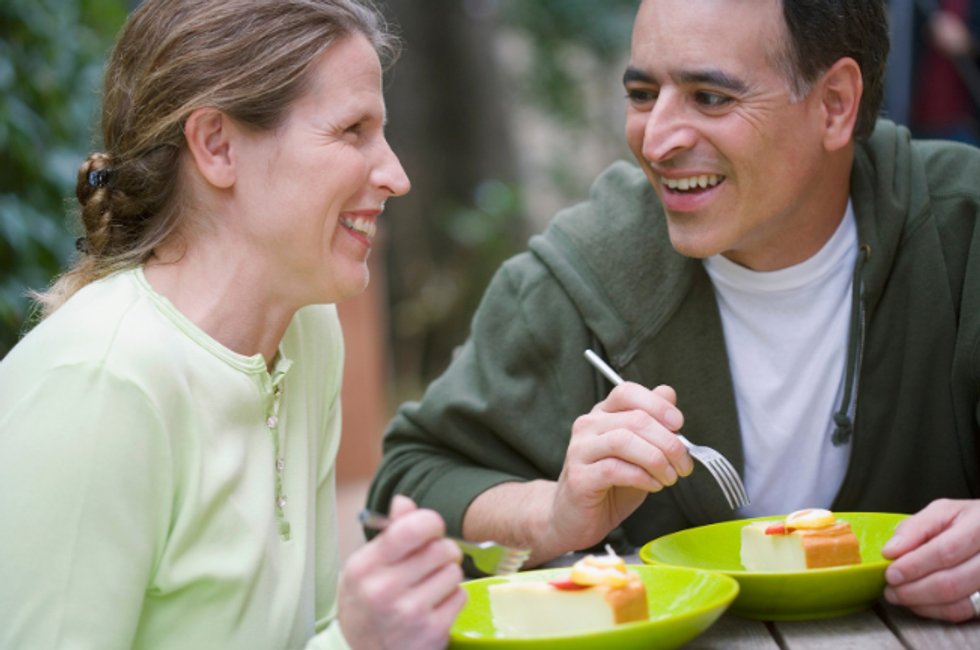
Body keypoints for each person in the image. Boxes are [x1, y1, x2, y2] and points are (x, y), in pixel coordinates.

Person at [368, 0, 980, 624]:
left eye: (710, 97)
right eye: (641, 92)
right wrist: (549, 514)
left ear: (835, 104)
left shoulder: (965, 232)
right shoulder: (582, 271)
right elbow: (406, 488)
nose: (656, 140)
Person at [0, 1, 467, 648]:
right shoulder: (97, 385)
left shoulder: (306, 333)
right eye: (353, 130)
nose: (396, 176)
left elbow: (320, 629)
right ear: (217, 146)